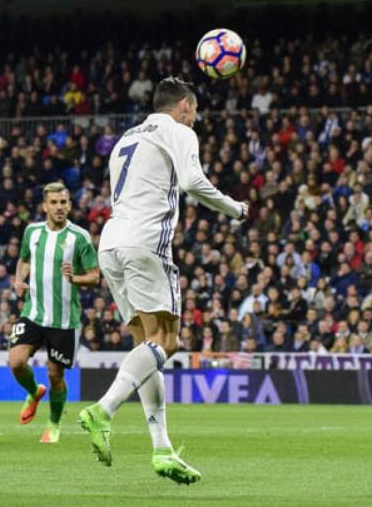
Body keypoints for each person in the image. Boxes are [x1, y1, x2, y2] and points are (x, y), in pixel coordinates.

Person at [78, 77, 248, 484]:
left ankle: (162, 449)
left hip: (112, 244)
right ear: (184, 105)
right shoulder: (178, 131)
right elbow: (192, 183)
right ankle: (103, 409)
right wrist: (235, 209)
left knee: (146, 346)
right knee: (167, 342)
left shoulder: (126, 138)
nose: (196, 117)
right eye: (195, 109)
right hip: (146, 243)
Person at [10, 182, 100, 443]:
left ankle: (54, 423)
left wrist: (75, 279)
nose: (59, 207)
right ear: (45, 206)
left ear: (70, 205)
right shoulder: (33, 232)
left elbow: (94, 277)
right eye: (54, 203)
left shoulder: (79, 237)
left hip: (64, 320)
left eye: (63, 202)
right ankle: (34, 391)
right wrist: (19, 279)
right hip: (34, 312)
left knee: (55, 374)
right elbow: (25, 259)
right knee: (16, 362)